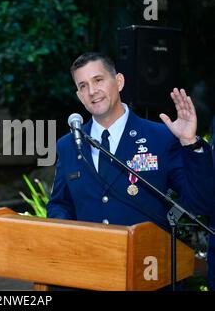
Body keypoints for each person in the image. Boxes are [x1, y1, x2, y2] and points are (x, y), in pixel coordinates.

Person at [47, 52, 215, 289]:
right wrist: (70, 238)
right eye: (83, 86)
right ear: (79, 95)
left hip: (147, 274)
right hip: (87, 275)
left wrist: (190, 143)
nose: (92, 91)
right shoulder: (68, 145)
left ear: (119, 82)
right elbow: (59, 204)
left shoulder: (160, 137)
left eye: (98, 80)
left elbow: (202, 203)